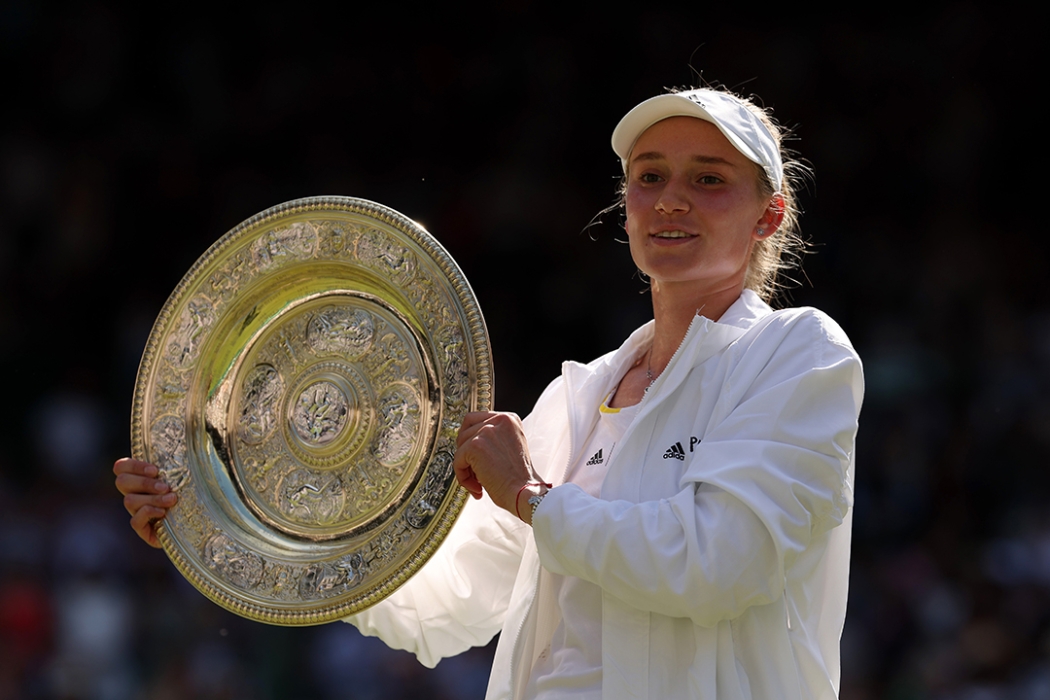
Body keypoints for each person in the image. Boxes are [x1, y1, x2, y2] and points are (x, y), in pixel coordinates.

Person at [116, 86, 863, 699]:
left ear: (771, 213)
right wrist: (232, 513)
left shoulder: (798, 354)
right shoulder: (578, 398)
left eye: (708, 178)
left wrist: (533, 499)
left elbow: (717, 564)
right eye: (650, 175)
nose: (671, 199)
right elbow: (446, 606)